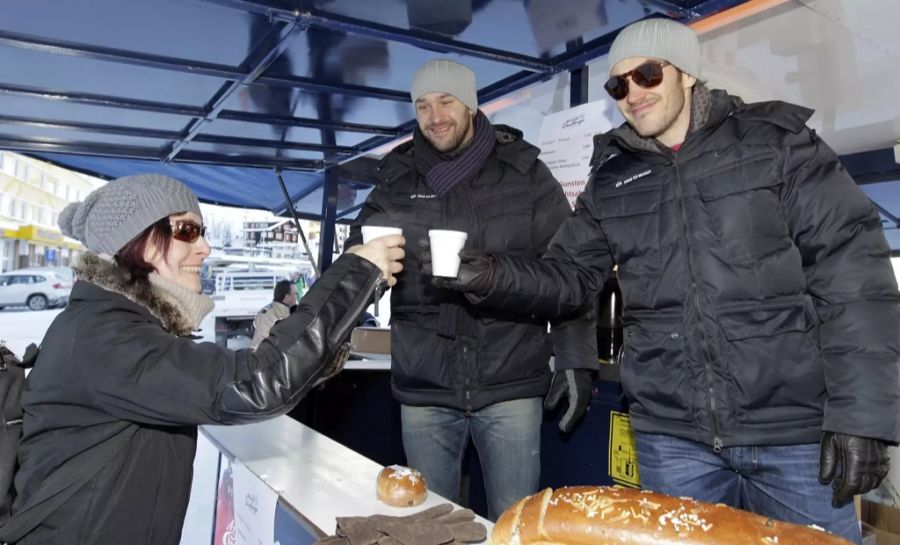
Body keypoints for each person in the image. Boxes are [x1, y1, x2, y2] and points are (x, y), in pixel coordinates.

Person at [430, 19, 899, 544]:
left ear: (688, 74)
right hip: (672, 439)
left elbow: (854, 276)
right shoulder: (611, 179)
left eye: (647, 74)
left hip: (791, 432)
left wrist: (863, 416)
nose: (632, 93)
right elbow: (568, 275)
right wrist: (488, 273)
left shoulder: (777, 145)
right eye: (618, 84)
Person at [2, 174, 404, 545]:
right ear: (135, 241)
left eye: (203, 231)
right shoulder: (104, 336)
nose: (205, 247)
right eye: (187, 231)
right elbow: (258, 384)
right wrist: (355, 274)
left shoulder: (118, 326)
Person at [345, 59, 597, 521]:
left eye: (446, 101)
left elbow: (569, 272)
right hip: (424, 385)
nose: (434, 116)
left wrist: (577, 355)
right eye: (422, 106)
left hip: (510, 382)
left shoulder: (525, 172)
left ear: (472, 104)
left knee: (512, 523)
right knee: (427, 524)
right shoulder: (396, 177)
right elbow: (355, 258)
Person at [250, 279, 299, 350]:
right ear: (287, 297)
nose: (297, 297)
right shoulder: (267, 315)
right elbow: (263, 342)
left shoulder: (285, 312)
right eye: (295, 294)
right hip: (262, 356)